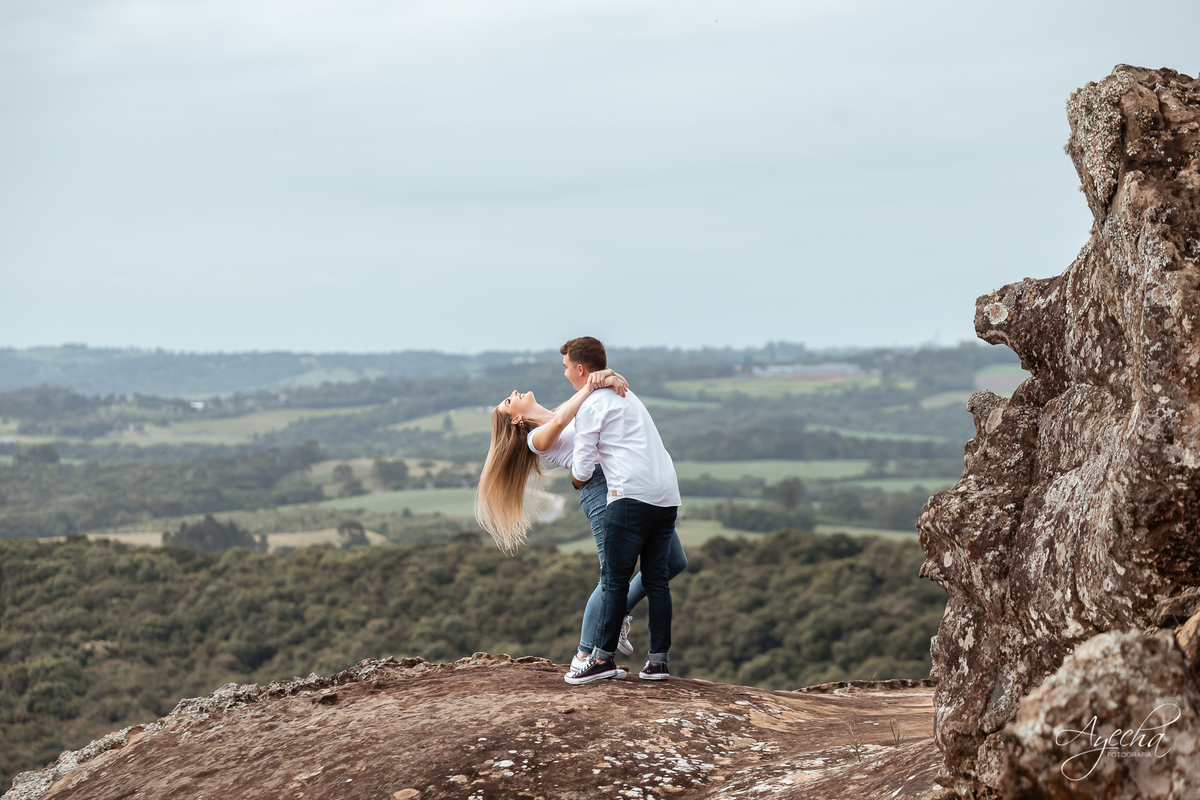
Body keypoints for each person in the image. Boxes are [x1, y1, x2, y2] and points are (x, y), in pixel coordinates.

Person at [474, 364, 688, 671]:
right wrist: (593, 384)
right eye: (509, 402)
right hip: (600, 491)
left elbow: (592, 407)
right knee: (610, 576)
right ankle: (586, 654)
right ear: (517, 419)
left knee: (674, 560)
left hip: (629, 483)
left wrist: (608, 376)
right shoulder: (537, 435)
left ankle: (620, 613)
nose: (513, 394)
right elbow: (565, 418)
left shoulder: (566, 408)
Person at [559, 336, 682, 685]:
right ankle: (658, 663)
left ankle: (601, 659)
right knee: (658, 582)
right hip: (667, 494)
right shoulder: (628, 395)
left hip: (629, 496)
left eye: (567, 368)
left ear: (581, 369)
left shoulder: (592, 405)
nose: (566, 373)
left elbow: (582, 468)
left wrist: (577, 483)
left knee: (614, 581)